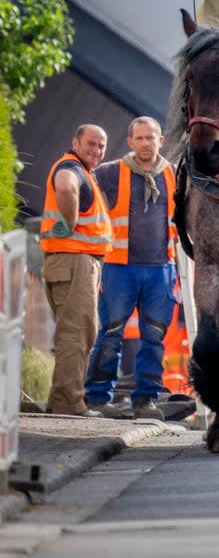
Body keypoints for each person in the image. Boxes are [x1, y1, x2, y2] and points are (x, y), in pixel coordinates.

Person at [84, 117, 179, 420]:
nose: (145, 144)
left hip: (160, 268)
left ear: (160, 141)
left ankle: (146, 400)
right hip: (118, 267)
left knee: (154, 337)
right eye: (139, 138)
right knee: (111, 333)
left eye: (150, 138)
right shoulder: (110, 173)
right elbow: (84, 193)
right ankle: (97, 399)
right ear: (130, 142)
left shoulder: (173, 175)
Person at [39, 124, 113, 417]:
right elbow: (67, 186)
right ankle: (69, 404)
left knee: (80, 332)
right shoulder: (71, 167)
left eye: (101, 146)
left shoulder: (83, 170)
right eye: (91, 144)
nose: (96, 151)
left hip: (77, 262)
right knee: (76, 333)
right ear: (75, 142)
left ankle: (61, 400)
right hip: (74, 261)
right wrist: (67, 224)